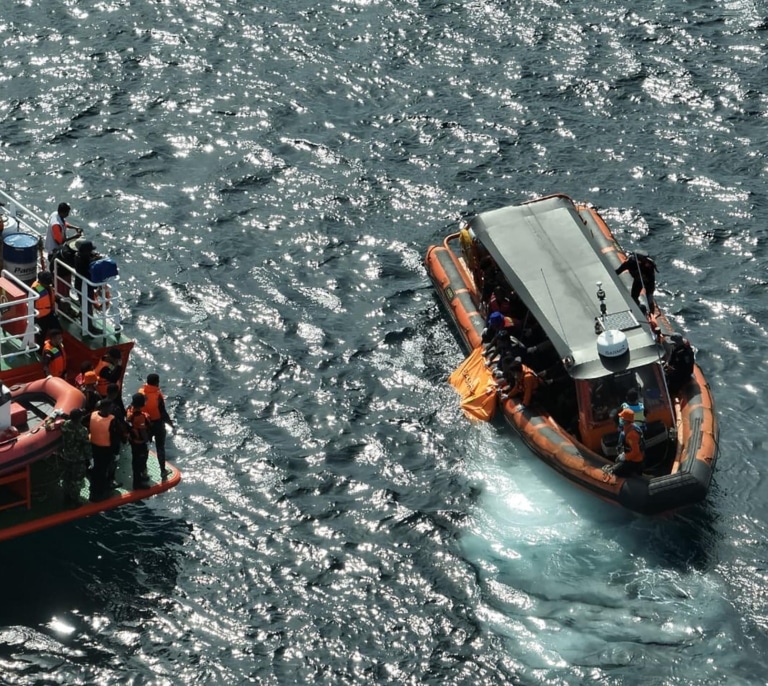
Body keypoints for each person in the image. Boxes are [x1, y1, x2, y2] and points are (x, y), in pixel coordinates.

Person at [139, 373, 175, 478]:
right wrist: (171, 424)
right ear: (156, 383)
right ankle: (163, 471)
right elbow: (163, 412)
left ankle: (144, 470)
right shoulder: (157, 395)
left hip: (145, 424)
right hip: (157, 424)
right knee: (160, 448)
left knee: (145, 448)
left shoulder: (141, 393)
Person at [87, 400, 122, 501]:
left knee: (96, 470)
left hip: (94, 446)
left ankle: (93, 491)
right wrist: (116, 452)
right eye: (109, 407)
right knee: (103, 471)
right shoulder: (112, 420)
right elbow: (115, 437)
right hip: (106, 449)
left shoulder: (93, 415)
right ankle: (100, 494)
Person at [57, 408, 90, 505]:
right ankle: (75, 500)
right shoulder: (82, 430)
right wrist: (90, 458)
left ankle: (66, 497)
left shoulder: (65, 425)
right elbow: (86, 445)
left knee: (67, 478)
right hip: (78, 459)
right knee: (77, 480)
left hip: (66, 456)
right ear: (79, 418)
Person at [126, 393, 152, 489]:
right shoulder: (140, 417)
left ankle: (139, 478)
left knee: (136, 460)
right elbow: (142, 430)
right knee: (139, 461)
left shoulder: (129, 410)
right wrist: (147, 440)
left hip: (132, 440)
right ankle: (137, 483)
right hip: (139, 443)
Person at [611, 408, 645, 476]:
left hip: (635, 461)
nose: (620, 419)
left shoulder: (631, 435)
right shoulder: (630, 427)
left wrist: (625, 456)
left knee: (615, 472)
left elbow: (636, 451)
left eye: (622, 418)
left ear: (626, 421)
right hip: (632, 458)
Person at [32, 271, 60, 341]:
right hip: (40, 318)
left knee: (57, 330)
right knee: (40, 336)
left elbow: (50, 296)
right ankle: (39, 350)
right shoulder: (35, 290)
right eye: (46, 283)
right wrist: (34, 320)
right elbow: (30, 306)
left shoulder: (48, 287)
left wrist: (58, 300)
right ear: (40, 281)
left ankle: (55, 343)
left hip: (50, 314)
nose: (48, 285)